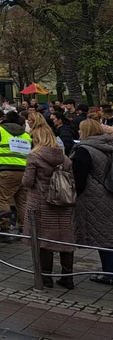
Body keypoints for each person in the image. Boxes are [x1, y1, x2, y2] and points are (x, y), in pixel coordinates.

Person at [22, 127, 75, 288]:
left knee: (43, 239)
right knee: (65, 238)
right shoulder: (64, 157)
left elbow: (27, 182)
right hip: (63, 202)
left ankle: (46, 277)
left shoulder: (34, 157)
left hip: (41, 202)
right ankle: (68, 277)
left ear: (38, 139)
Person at [71, 119, 113, 285]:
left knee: (103, 237)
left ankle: (109, 273)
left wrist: (75, 194)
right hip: (108, 191)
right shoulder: (108, 146)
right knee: (107, 234)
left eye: (80, 129)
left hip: (93, 196)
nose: (78, 132)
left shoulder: (85, 149)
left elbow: (78, 177)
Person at [0, 110, 31, 234]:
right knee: (22, 201)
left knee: (3, 199)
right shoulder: (26, 135)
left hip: (6, 169)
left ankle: (5, 228)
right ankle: (23, 228)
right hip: (24, 171)